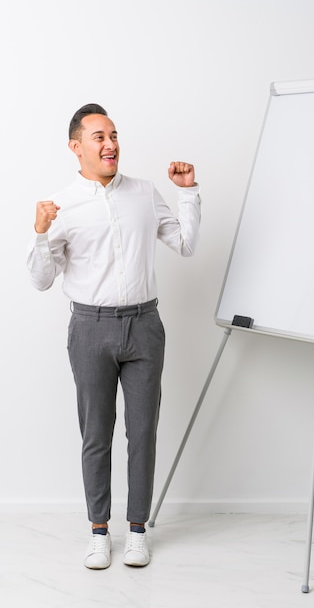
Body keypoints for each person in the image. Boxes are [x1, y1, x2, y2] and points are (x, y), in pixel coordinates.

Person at [27, 103, 201, 569]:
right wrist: (40, 234)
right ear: (76, 146)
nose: (110, 145)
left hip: (145, 325)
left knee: (143, 432)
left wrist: (188, 193)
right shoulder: (62, 204)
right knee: (96, 434)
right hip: (90, 328)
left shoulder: (144, 193)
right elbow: (42, 280)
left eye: (115, 135)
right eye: (99, 137)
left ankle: (138, 529)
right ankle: (100, 531)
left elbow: (184, 243)